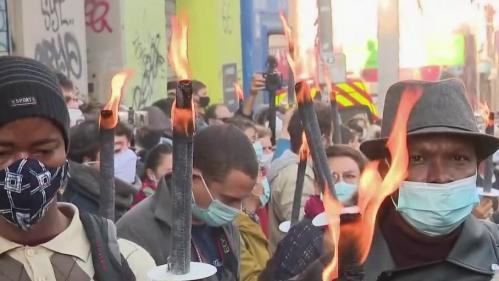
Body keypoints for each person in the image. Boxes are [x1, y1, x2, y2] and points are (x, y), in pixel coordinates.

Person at [301, 79, 499, 281]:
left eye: (458, 158)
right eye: (417, 159)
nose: (439, 177)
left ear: (476, 167)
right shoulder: (338, 268)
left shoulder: (495, 253)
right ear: (387, 171)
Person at [0, 56, 154, 281]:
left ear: (66, 150)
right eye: (2, 153)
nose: (24, 169)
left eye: (43, 150)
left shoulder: (127, 261)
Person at [117, 124, 259, 281]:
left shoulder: (225, 224)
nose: (236, 210)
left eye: (241, 200)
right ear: (193, 178)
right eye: (229, 199)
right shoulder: (135, 231)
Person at [259, 145, 367, 280]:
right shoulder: (305, 235)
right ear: (317, 185)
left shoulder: (371, 225)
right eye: (332, 177)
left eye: (349, 176)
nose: (340, 183)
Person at [267, 101, 332, 252]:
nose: (331, 143)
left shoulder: (307, 170)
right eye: (330, 136)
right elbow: (303, 232)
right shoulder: (296, 176)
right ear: (321, 139)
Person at [64, 120, 138, 220]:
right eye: (116, 151)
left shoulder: (125, 196)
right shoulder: (80, 212)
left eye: (130, 148)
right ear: (88, 161)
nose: (129, 156)